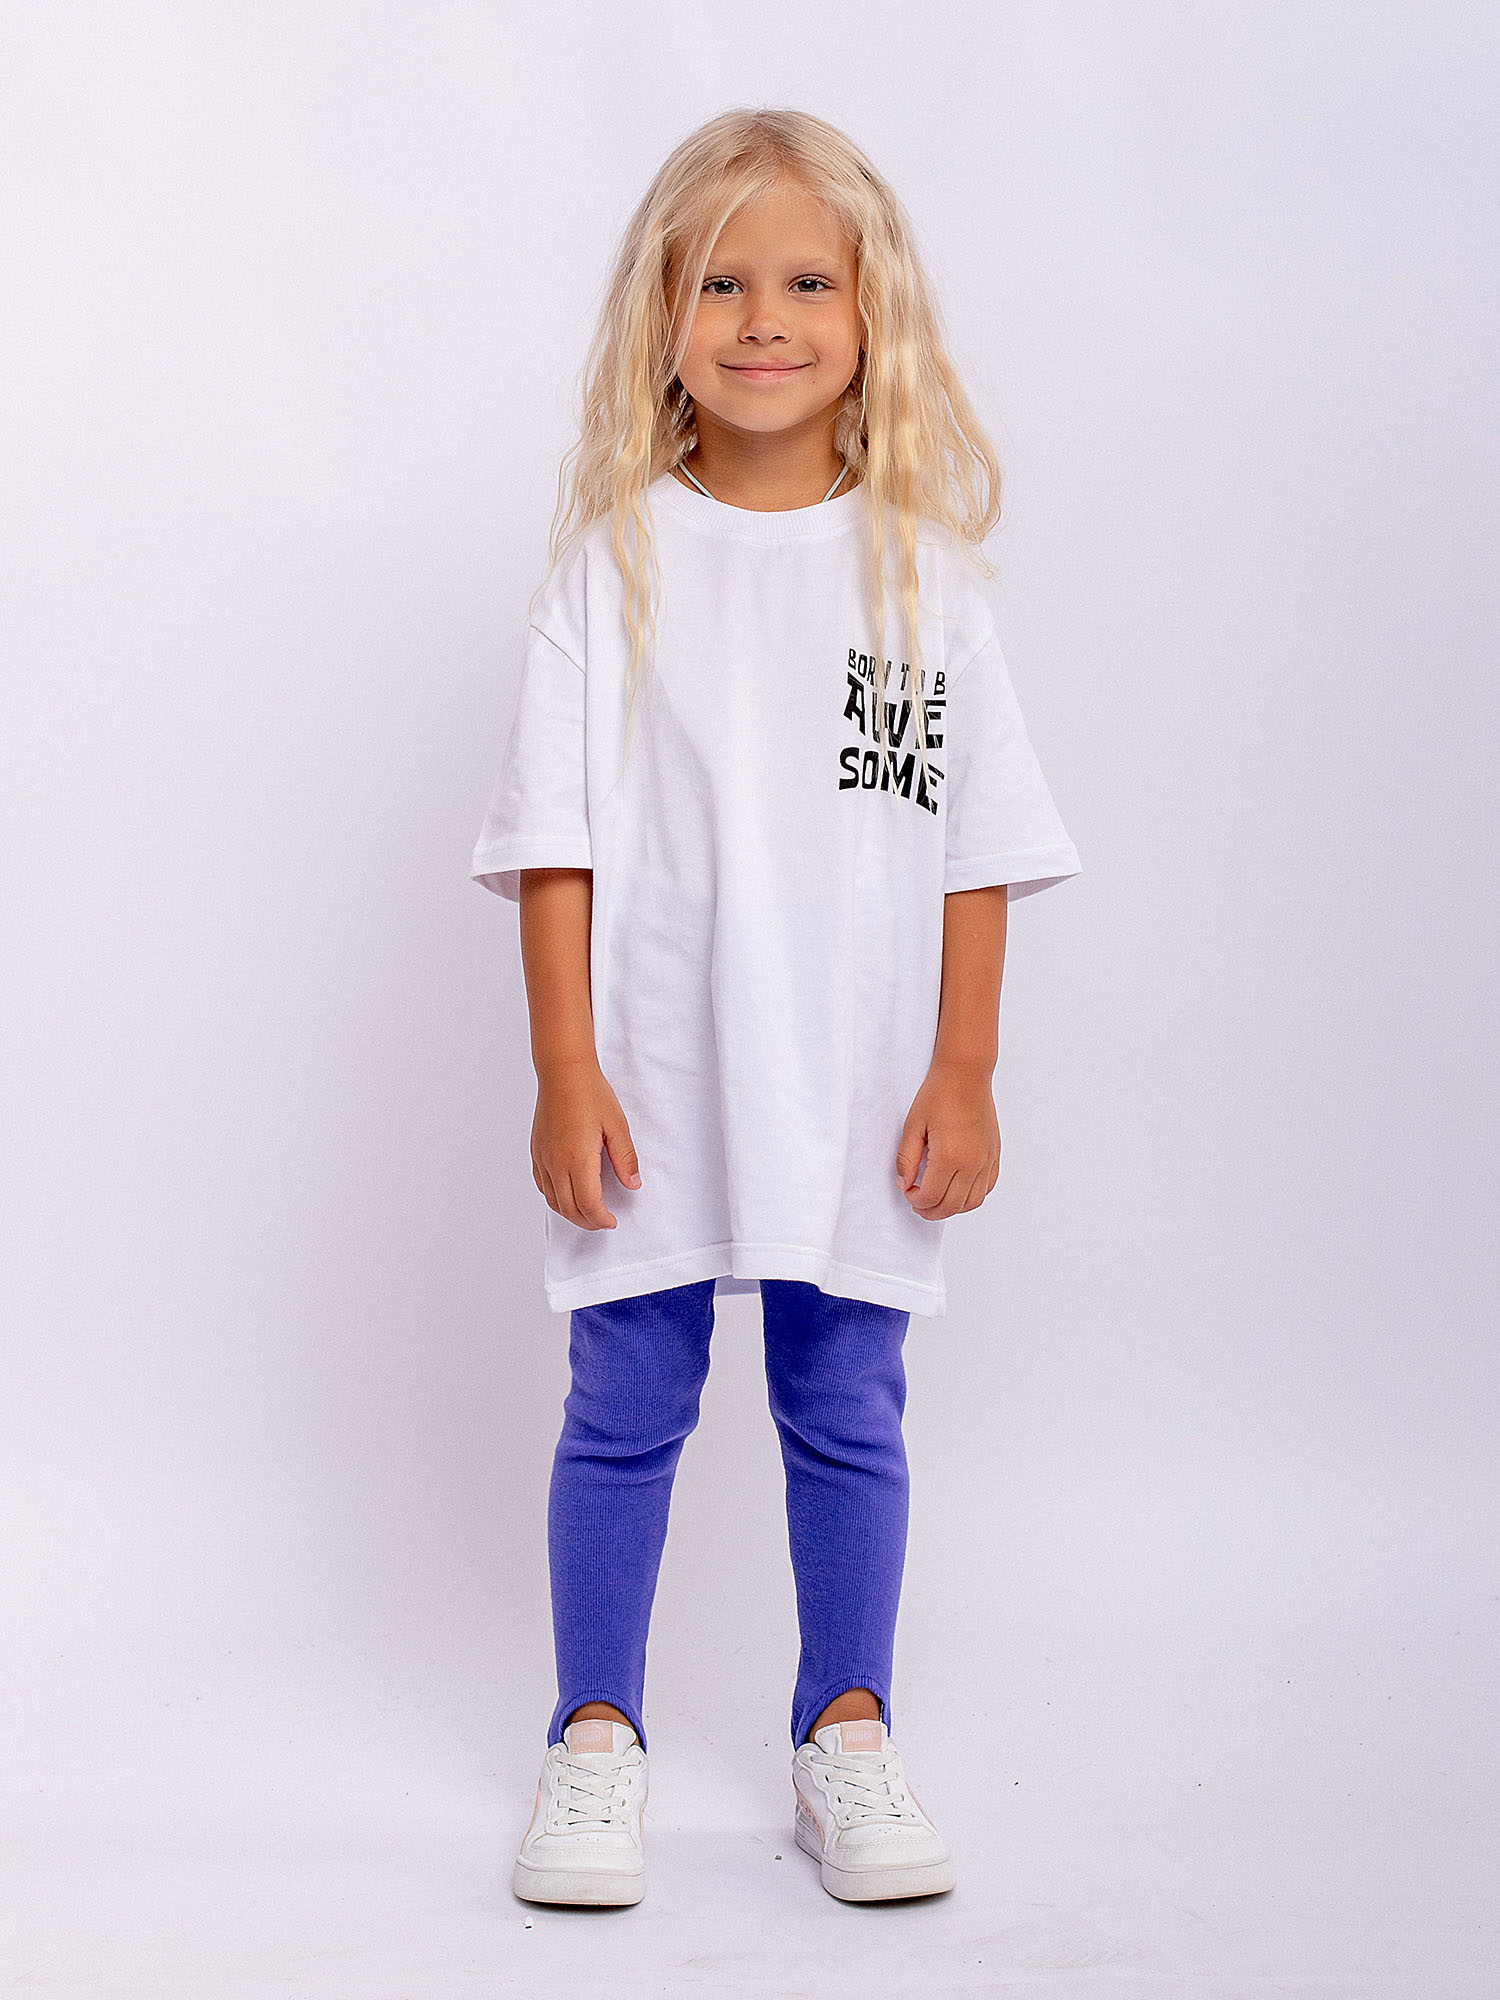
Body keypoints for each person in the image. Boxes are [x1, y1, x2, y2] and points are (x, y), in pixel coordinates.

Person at [469, 106, 1082, 1908]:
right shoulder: (610, 569)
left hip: (857, 1080)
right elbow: (555, 843)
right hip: (654, 1080)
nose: (763, 319)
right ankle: (596, 1739)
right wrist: (563, 1065)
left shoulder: (924, 581)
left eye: (808, 282)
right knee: (624, 1402)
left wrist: (965, 1067)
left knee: (848, 1401)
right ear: (660, 316)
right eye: (721, 283)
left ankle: (848, 1729)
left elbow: (975, 851)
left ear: (873, 315)